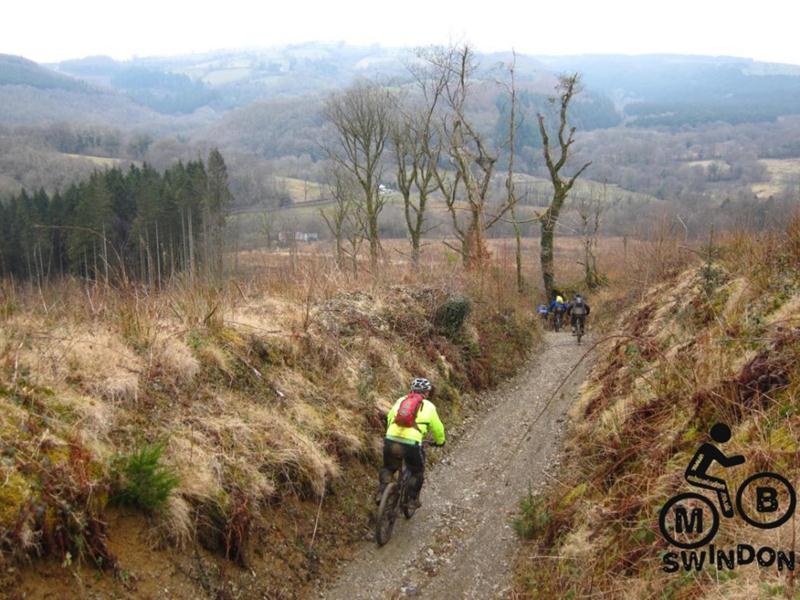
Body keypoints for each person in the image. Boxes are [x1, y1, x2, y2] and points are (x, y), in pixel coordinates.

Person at [377, 377, 445, 509]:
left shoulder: (401, 401)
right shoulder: (429, 406)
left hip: (391, 439)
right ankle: (412, 500)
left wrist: (391, 435)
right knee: (417, 471)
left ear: (412, 390)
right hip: (411, 444)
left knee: (388, 468)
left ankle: (382, 492)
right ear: (426, 393)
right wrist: (440, 441)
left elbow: (390, 417)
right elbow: (438, 428)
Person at [684, 423, 745, 518]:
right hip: (693, 476)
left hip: (693, 475)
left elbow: (725, 462)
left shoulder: (707, 447)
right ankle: (728, 512)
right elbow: (726, 462)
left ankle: (727, 511)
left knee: (720, 485)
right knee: (720, 485)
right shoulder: (709, 448)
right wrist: (742, 458)